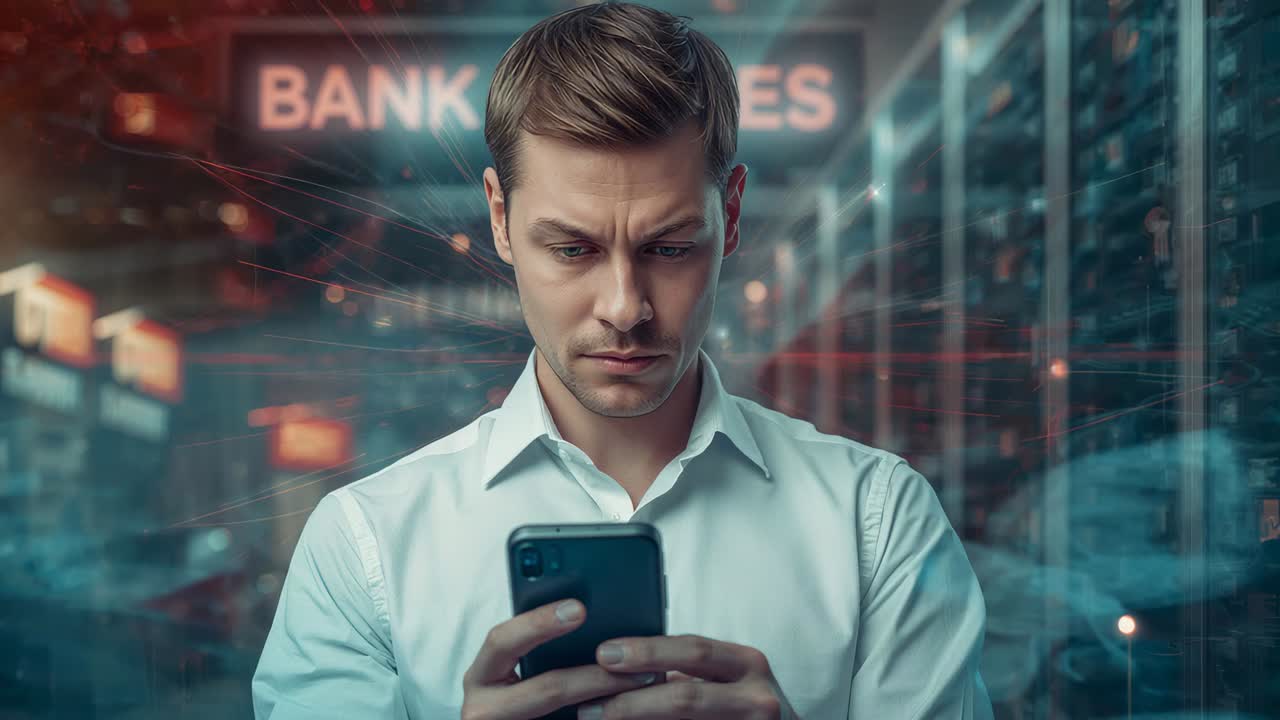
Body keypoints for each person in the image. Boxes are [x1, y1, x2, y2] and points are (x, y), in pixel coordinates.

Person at [252, 3, 993, 718]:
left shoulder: (880, 523)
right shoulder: (364, 546)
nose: (624, 306)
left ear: (729, 215)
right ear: (500, 219)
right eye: (572, 249)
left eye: (668, 248)